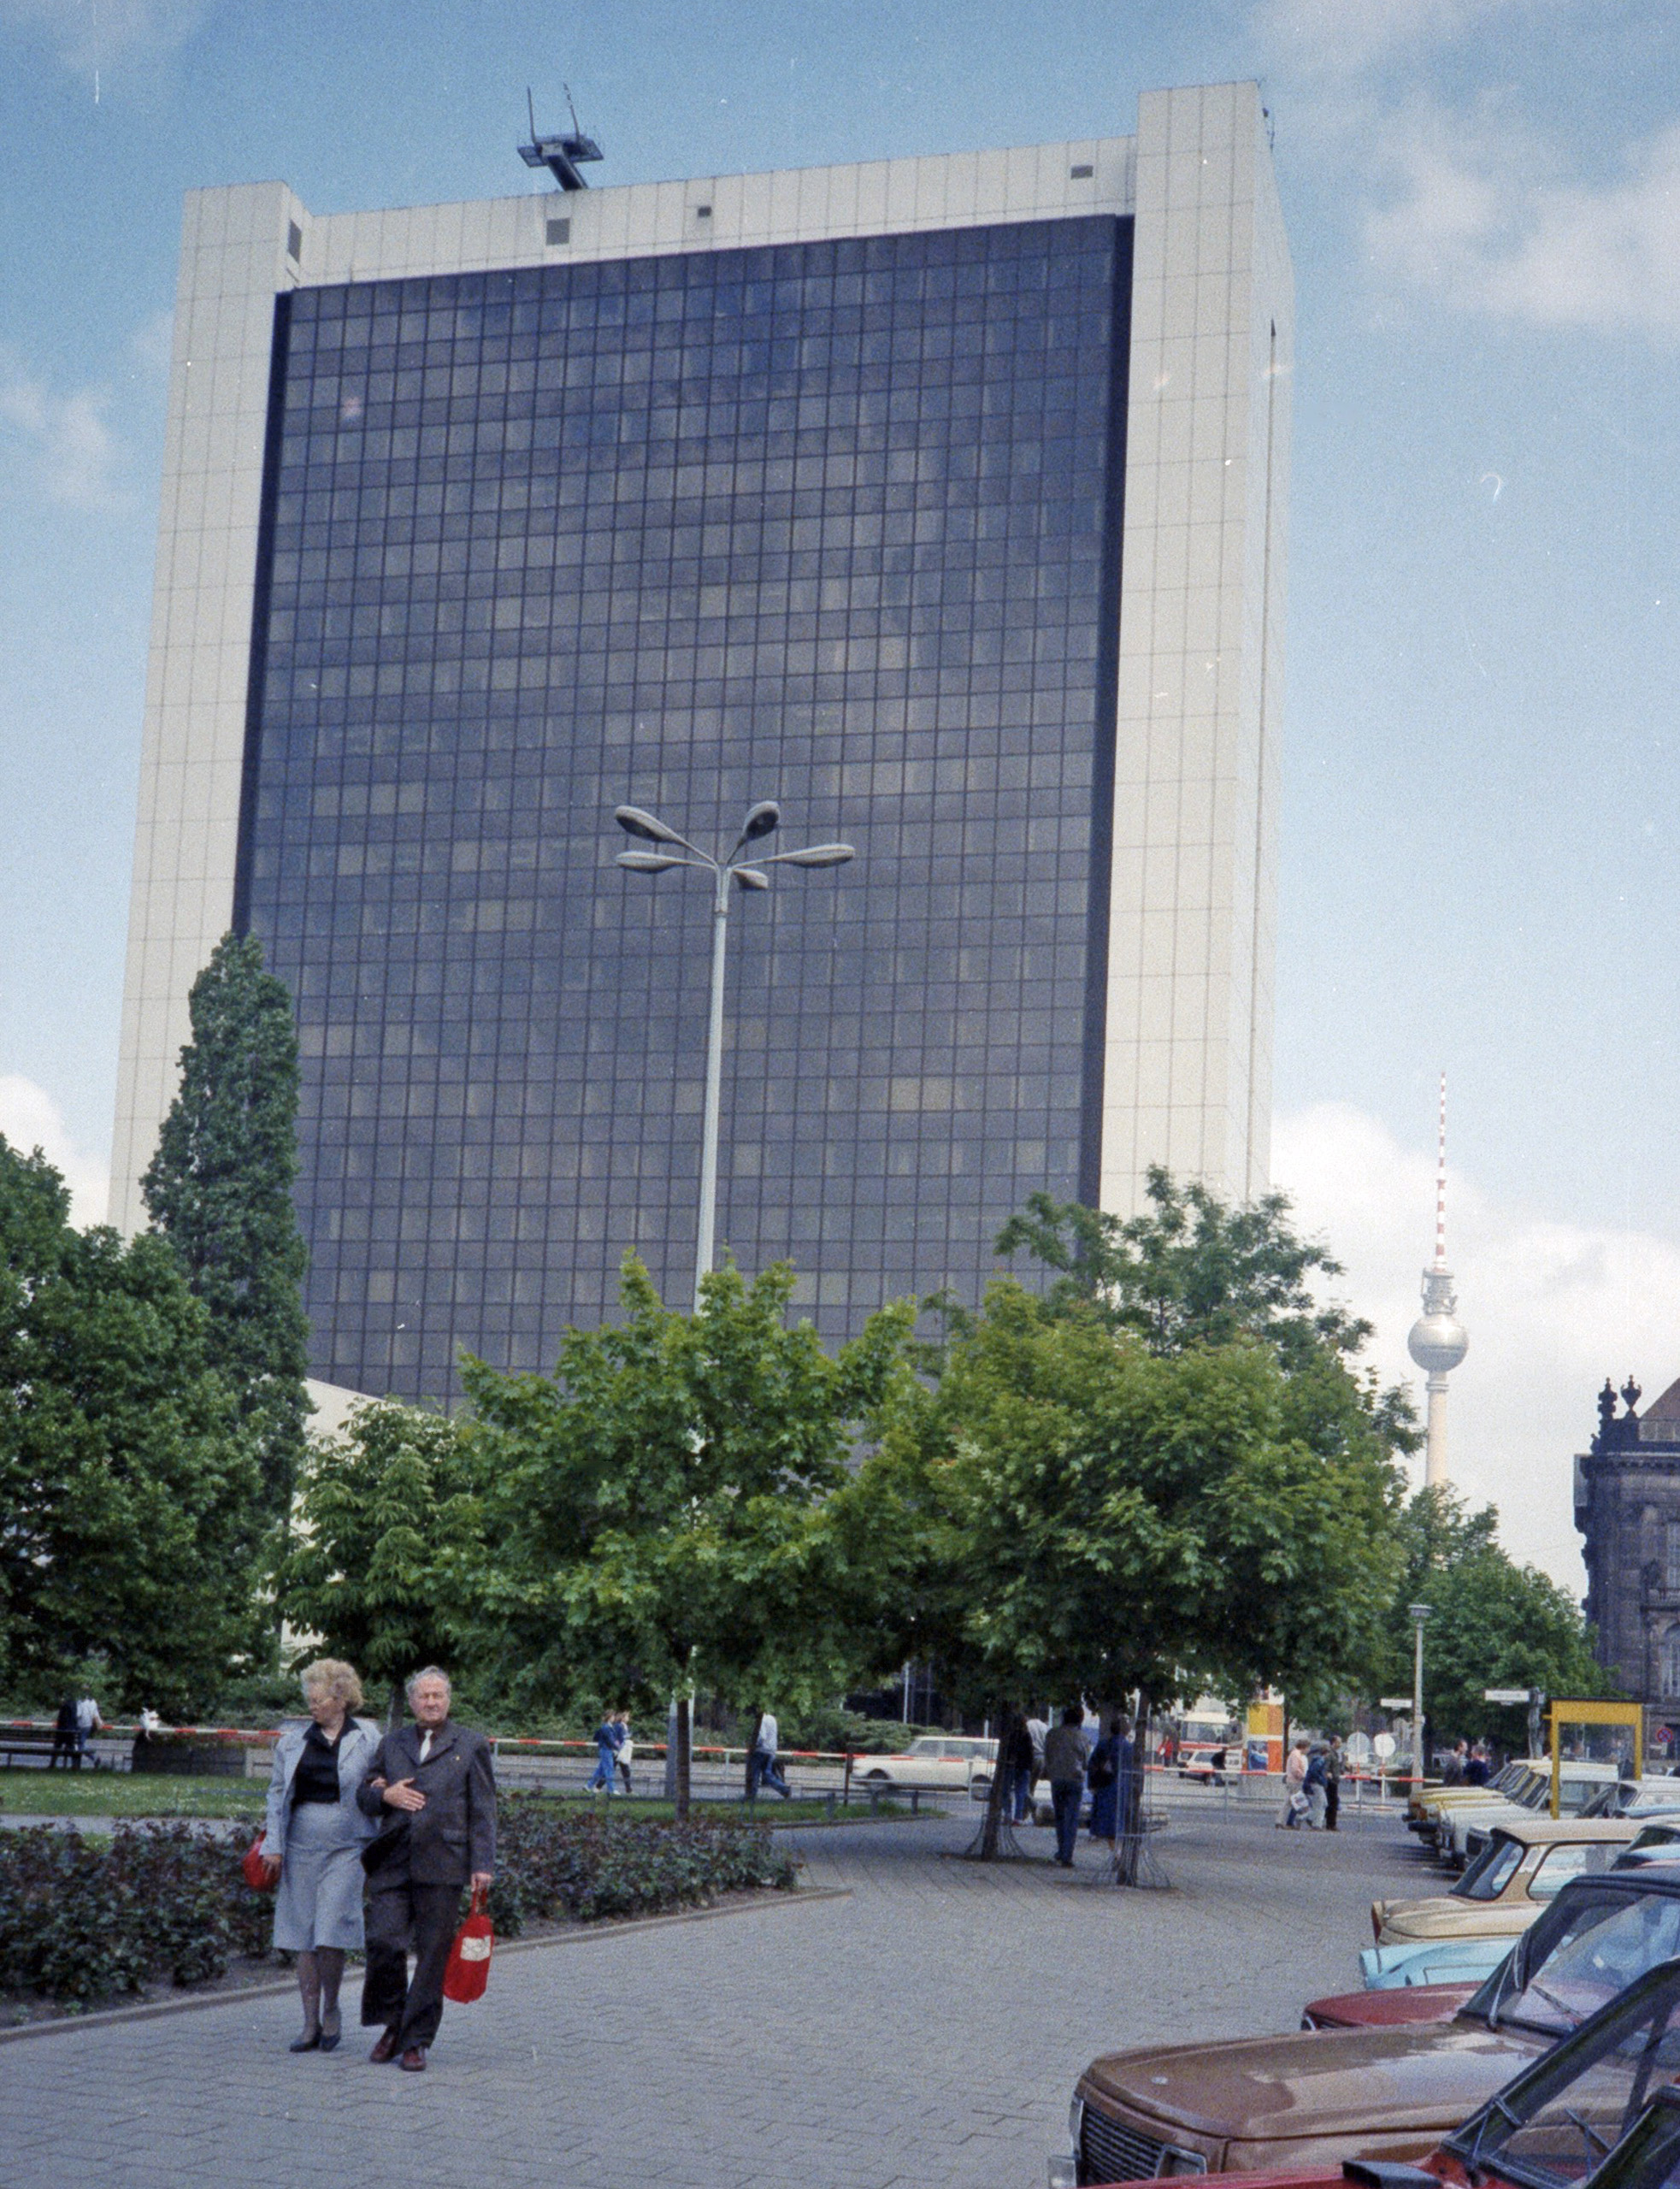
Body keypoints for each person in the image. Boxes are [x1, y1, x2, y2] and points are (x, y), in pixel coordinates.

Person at [357, 1666, 496, 2073]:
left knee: (433, 1953)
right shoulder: (392, 1742)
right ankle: (392, 2023)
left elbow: (483, 1809)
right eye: (424, 1696)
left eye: (438, 1696)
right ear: (413, 1701)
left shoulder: (469, 1745)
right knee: (385, 1941)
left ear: (448, 1700)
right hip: (393, 1859)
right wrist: (386, 1794)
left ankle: (415, 2040)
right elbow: (363, 1794)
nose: (431, 1702)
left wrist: (482, 1864)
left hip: (445, 1862)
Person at [261, 1658, 381, 2053]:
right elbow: (278, 1794)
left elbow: (380, 1782)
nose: (312, 1707)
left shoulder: (368, 1737)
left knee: (331, 1931)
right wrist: (273, 1845)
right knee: (304, 1936)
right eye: (309, 1700)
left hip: (348, 1846)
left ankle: (332, 2008)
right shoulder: (293, 1740)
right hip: (300, 1847)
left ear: (341, 1698)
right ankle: (309, 2020)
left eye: (318, 1700)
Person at [1043, 1704, 1090, 1867]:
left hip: (1057, 1779)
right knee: (1072, 1818)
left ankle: (1061, 1849)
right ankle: (1067, 1855)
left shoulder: (1052, 1734)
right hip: (1075, 1780)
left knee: (1060, 1817)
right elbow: (1085, 1762)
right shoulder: (1082, 1737)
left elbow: (1047, 1756)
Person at [750, 1709, 791, 1799]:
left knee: (754, 1774)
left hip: (760, 1751)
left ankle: (751, 1796)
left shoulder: (762, 1720)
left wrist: (754, 1746)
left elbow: (761, 1737)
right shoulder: (773, 1719)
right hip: (771, 1751)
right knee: (767, 1774)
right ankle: (784, 1789)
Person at [1004, 1716, 1036, 1823]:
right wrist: (1030, 1768)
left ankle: (1007, 1814)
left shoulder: (1010, 1736)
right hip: (1024, 1768)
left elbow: (1007, 1751)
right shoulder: (1027, 1735)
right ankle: (1018, 1818)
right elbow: (1030, 1753)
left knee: (1006, 1791)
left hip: (1011, 1765)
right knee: (1021, 1793)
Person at [587, 1711, 622, 1796]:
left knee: (600, 1770)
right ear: (609, 1717)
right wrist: (617, 1748)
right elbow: (610, 1740)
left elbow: (597, 1737)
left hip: (606, 1750)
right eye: (613, 1716)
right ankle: (612, 1789)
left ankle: (588, 1786)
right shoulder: (606, 1728)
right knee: (609, 1769)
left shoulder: (608, 1727)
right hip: (606, 1750)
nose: (614, 1718)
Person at [1278, 1737, 1310, 1827]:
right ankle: (1294, 1820)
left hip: (1292, 1780)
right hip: (1295, 1781)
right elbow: (1295, 1768)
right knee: (1294, 1802)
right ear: (1304, 1747)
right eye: (1308, 1748)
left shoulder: (1294, 1753)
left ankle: (1281, 1821)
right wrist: (1302, 1776)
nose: (1308, 1750)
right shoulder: (1296, 1754)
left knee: (1289, 1802)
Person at [50, 1696, 80, 1771]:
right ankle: (75, 1765)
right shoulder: (74, 1706)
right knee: (71, 1746)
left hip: (62, 1731)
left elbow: (61, 1720)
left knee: (57, 1746)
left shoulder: (64, 1707)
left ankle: (52, 1763)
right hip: (71, 1731)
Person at [1303, 1744, 1329, 1828]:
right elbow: (1314, 1771)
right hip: (1317, 1784)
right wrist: (1321, 1779)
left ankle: (1311, 1818)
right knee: (1320, 1804)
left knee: (1323, 1803)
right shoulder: (1320, 1761)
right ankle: (1316, 1824)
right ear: (1326, 1753)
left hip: (1315, 1783)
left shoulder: (1317, 1759)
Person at [1323, 1734, 1343, 1832]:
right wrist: (1327, 1773)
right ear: (1334, 1743)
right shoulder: (1330, 1753)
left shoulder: (1335, 1753)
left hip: (1334, 1781)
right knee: (1332, 1803)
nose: (1340, 1744)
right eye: (1339, 1742)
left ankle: (1330, 1823)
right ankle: (1331, 1824)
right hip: (1331, 1782)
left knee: (1333, 1802)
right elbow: (1326, 1766)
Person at [616, 1711, 634, 1796]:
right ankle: (598, 1786)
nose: (628, 1718)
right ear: (622, 1717)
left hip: (623, 1750)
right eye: (627, 1716)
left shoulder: (625, 1726)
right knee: (610, 1769)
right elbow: (619, 1737)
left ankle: (629, 1789)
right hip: (619, 1750)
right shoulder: (619, 1726)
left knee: (625, 1770)